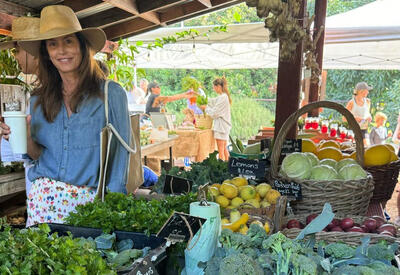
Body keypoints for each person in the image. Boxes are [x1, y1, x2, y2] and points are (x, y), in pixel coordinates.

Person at [4, 5, 131, 226]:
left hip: (89, 208)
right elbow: (36, 155)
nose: (61, 51)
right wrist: (21, 133)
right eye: (53, 44)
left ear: (83, 46)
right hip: (43, 202)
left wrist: (112, 208)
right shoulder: (38, 98)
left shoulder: (111, 94)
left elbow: (121, 158)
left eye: (68, 41)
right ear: (47, 53)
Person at [0, 16, 40, 197]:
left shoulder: (45, 94)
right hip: (42, 191)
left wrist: (22, 136)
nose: (15, 56)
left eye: (17, 49)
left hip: (47, 191)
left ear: (32, 51)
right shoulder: (40, 92)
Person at [200, 77, 232, 161]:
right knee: (224, 149)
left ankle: (223, 168)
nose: (213, 89)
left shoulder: (223, 97)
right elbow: (212, 101)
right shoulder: (222, 97)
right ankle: (228, 167)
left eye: (214, 87)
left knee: (221, 150)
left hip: (221, 127)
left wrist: (205, 108)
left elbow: (215, 113)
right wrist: (200, 97)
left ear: (218, 86)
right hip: (223, 127)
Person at [345, 82, 372, 146]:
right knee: (355, 148)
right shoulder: (351, 102)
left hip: (363, 129)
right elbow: (344, 118)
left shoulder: (368, 101)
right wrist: (355, 119)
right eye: (366, 90)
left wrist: (369, 117)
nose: (368, 92)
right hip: (353, 130)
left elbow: (367, 114)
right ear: (361, 91)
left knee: (366, 147)